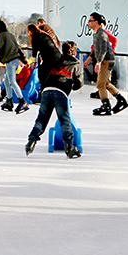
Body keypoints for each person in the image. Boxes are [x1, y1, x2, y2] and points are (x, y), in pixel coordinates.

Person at [25, 29, 81, 158]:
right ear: (75, 52)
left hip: (46, 90)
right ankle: (70, 148)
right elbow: (79, 84)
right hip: (60, 92)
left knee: (42, 119)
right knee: (65, 120)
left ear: (63, 51)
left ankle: (31, 141)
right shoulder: (76, 64)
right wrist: (71, 83)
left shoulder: (56, 61)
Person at [88, 13, 128, 115]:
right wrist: (89, 58)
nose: (88, 23)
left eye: (90, 21)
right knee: (106, 83)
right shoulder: (96, 34)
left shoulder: (101, 34)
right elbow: (96, 48)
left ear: (96, 22)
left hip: (106, 61)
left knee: (100, 84)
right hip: (105, 60)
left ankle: (106, 106)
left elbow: (103, 49)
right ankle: (121, 100)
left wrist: (98, 62)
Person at [0, 18, 29, 113]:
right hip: (15, 61)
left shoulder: (0, 36)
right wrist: (24, 60)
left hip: (10, 62)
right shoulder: (11, 35)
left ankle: (22, 101)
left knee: (12, 82)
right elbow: (18, 48)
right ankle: (9, 101)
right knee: (7, 82)